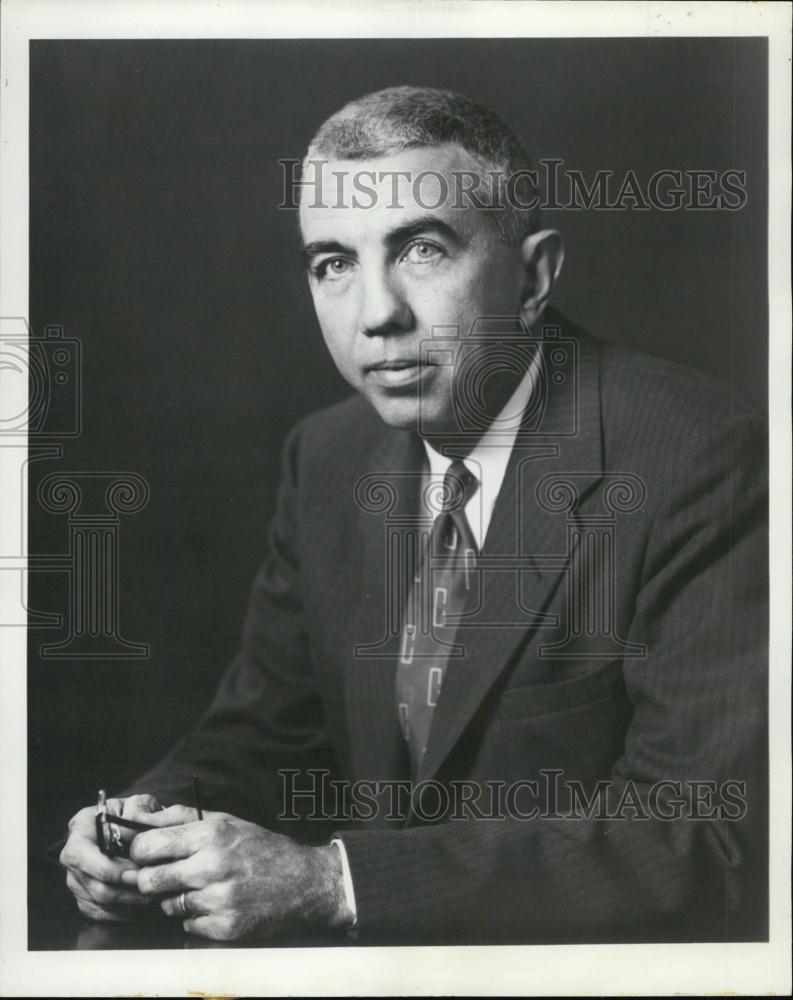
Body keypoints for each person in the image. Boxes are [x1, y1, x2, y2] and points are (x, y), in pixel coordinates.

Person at [58, 86, 768, 945]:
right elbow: (265, 736)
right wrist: (141, 828)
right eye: (334, 263)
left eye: (422, 250)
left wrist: (337, 881)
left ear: (534, 276)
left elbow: (705, 834)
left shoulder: (701, 458)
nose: (376, 315)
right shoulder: (325, 457)